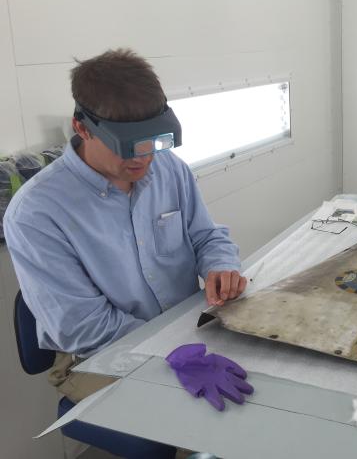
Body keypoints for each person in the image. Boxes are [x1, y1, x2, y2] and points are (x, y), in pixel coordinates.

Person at [4, 48, 246, 404]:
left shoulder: (168, 168)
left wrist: (221, 265)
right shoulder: (36, 214)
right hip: (99, 357)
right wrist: (173, 350)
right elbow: (81, 328)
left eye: (154, 142)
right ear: (81, 128)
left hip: (186, 330)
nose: (144, 158)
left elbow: (206, 235)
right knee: (205, 415)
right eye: (128, 148)